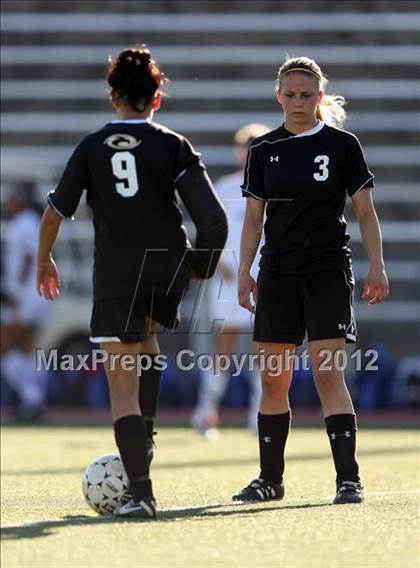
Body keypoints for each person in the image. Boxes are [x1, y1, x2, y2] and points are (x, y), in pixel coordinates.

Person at [37, 45, 227, 519]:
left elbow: (54, 213)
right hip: (166, 268)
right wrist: (198, 267)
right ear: (156, 97)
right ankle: (146, 440)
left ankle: (141, 493)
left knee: (120, 386)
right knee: (147, 347)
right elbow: (214, 221)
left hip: (119, 271)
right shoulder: (174, 145)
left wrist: (45, 262)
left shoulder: (92, 146)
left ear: (112, 96)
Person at [233, 56, 389, 505]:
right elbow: (252, 220)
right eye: (290, 94)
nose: (298, 102)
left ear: (319, 97)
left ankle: (348, 479)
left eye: (307, 95)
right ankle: (269, 479)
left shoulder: (343, 145)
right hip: (278, 271)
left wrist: (377, 265)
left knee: (327, 376)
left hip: (326, 269)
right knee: (274, 379)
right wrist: (245, 272)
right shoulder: (263, 150)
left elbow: (365, 212)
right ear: (278, 95)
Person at [191, 124, 269, 438]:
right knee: (224, 349)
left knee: (263, 350)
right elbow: (211, 230)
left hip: (261, 278)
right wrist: (221, 263)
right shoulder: (224, 187)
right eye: (246, 148)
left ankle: (259, 417)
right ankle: (206, 414)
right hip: (228, 278)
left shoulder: (272, 189)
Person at [1, 182, 51, 421]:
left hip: (27, 296)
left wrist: (16, 292)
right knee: (24, 351)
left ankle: (32, 399)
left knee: (5, 349)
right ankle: (33, 400)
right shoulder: (28, 222)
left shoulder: (26, 223)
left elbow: (29, 257)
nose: (8, 202)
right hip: (33, 295)